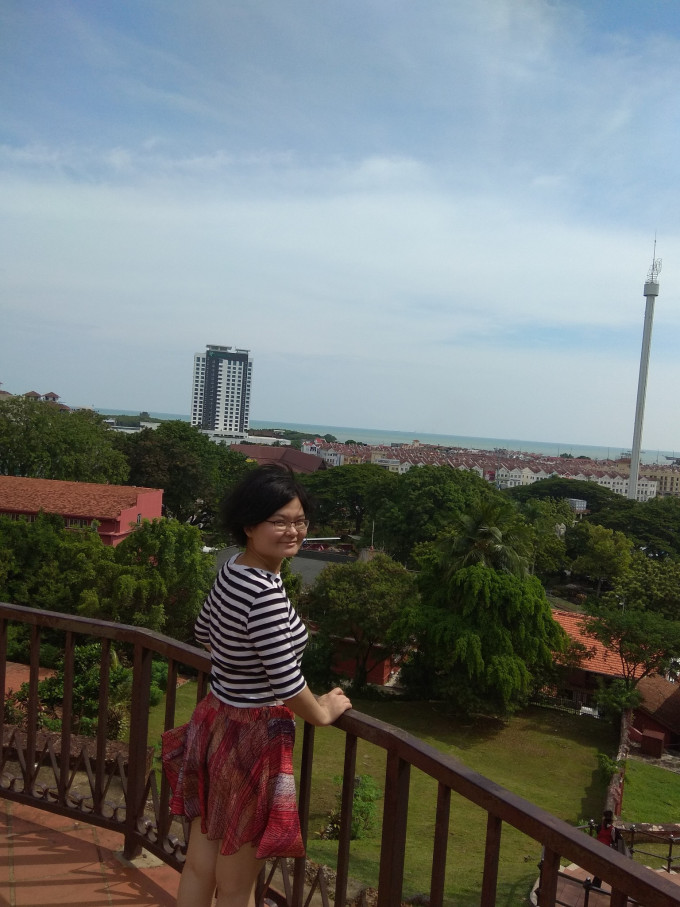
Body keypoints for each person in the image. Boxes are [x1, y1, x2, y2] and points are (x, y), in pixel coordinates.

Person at [162, 465, 352, 907]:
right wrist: (322, 711)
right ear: (249, 526)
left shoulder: (234, 569)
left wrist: (236, 664)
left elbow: (204, 631)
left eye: (300, 520)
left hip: (216, 720)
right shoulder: (264, 594)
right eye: (279, 521)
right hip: (251, 735)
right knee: (237, 883)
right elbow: (285, 680)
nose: (293, 531)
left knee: (201, 860)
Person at [591, 809, 619, 889]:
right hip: (606, 851)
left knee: (600, 867)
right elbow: (615, 840)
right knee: (602, 868)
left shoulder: (599, 827)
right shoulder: (613, 830)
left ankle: (596, 884)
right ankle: (596, 885)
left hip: (597, 849)